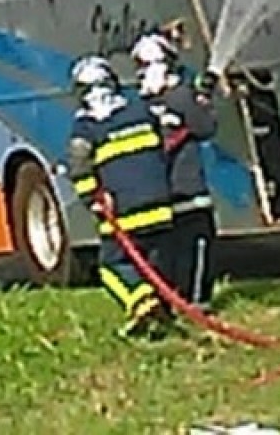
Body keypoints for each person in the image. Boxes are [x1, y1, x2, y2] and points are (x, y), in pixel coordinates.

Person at [65, 54, 174, 338]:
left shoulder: (86, 126)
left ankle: (141, 303)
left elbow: (79, 168)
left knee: (111, 266)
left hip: (123, 210)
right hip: (161, 204)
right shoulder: (140, 109)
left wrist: (93, 201)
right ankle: (162, 313)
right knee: (153, 263)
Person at [132, 31, 219, 312]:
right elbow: (206, 128)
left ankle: (169, 300)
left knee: (168, 251)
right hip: (189, 190)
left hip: (159, 192)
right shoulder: (181, 97)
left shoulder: (141, 106)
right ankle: (197, 301)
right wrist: (203, 101)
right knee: (198, 245)